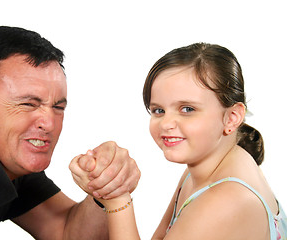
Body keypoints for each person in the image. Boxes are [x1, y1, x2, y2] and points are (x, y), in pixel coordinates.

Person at [0, 26, 141, 240]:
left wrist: (105, 185)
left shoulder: (0, 152)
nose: (48, 124)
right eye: (28, 104)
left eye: (58, 107)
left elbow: (65, 232)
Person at [70, 43, 287, 239]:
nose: (166, 123)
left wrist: (117, 200)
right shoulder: (205, 170)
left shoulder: (227, 198)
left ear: (232, 117)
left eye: (187, 109)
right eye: (158, 110)